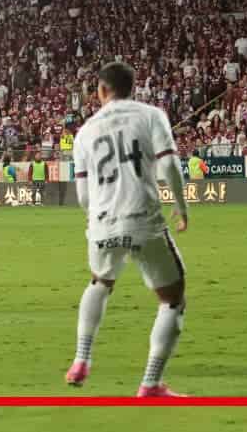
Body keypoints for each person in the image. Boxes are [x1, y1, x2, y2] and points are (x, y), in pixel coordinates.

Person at [64, 61, 189, 398]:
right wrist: (181, 204)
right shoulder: (150, 115)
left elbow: (82, 196)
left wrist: (100, 216)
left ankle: (81, 359)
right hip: (142, 219)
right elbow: (168, 163)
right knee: (172, 299)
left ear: (101, 90)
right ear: (131, 87)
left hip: (101, 223)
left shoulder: (85, 131)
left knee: (100, 282)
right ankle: (151, 383)